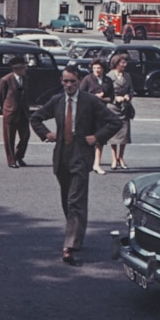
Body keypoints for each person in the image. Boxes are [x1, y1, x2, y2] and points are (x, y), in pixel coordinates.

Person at [30, 65, 122, 266]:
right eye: (65, 81)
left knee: (75, 201)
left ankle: (69, 246)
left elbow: (115, 122)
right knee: (67, 200)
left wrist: (97, 137)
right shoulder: (57, 100)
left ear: (79, 81)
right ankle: (77, 233)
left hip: (81, 157)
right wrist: (46, 134)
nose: (68, 85)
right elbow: (35, 117)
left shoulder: (90, 102)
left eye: (72, 81)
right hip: (62, 157)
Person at [80, 58, 115, 175]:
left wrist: (102, 98)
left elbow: (111, 98)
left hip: (102, 113)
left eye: (99, 68)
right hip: (89, 113)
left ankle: (97, 164)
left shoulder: (108, 81)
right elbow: (80, 94)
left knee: (100, 138)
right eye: (94, 68)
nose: (97, 70)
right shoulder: (87, 79)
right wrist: (93, 97)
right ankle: (85, 162)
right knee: (87, 138)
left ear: (103, 69)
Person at [0, 55, 30, 168]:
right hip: (11, 113)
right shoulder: (5, 80)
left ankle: (19, 156)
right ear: (16, 69)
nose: (24, 70)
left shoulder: (25, 79)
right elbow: (0, 97)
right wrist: (6, 109)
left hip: (23, 112)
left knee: (25, 136)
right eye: (22, 68)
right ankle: (11, 160)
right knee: (9, 138)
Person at [107, 54, 134, 170]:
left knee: (124, 134)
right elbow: (107, 92)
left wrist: (128, 96)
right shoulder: (109, 76)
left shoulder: (127, 76)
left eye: (125, 63)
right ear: (116, 63)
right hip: (113, 107)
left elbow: (131, 90)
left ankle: (121, 158)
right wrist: (115, 98)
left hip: (124, 108)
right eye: (122, 63)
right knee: (113, 134)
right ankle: (114, 158)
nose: (124, 65)